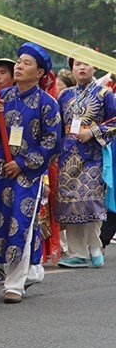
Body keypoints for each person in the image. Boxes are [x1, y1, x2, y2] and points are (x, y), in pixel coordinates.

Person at [0, 42, 62, 303]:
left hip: (26, 176)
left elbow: (52, 142)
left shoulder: (47, 104)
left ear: (39, 72)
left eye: (27, 63)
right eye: (20, 61)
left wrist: (24, 163)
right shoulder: (2, 98)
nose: (20, 66)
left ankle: (14, 284)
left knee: (20, 224)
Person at [55, 57, 116, 268]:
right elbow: (56, 125)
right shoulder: (64, 96)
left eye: (86, 63)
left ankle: (94, 245)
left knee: (91, 200)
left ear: (95, 67)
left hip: (92, 156)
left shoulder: (104, 94)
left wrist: (93, 132)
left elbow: (115, 121)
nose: (81, 67)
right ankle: (76, 252)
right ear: (72, 68)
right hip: (67, 156)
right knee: (69, 203)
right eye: (77, 64)